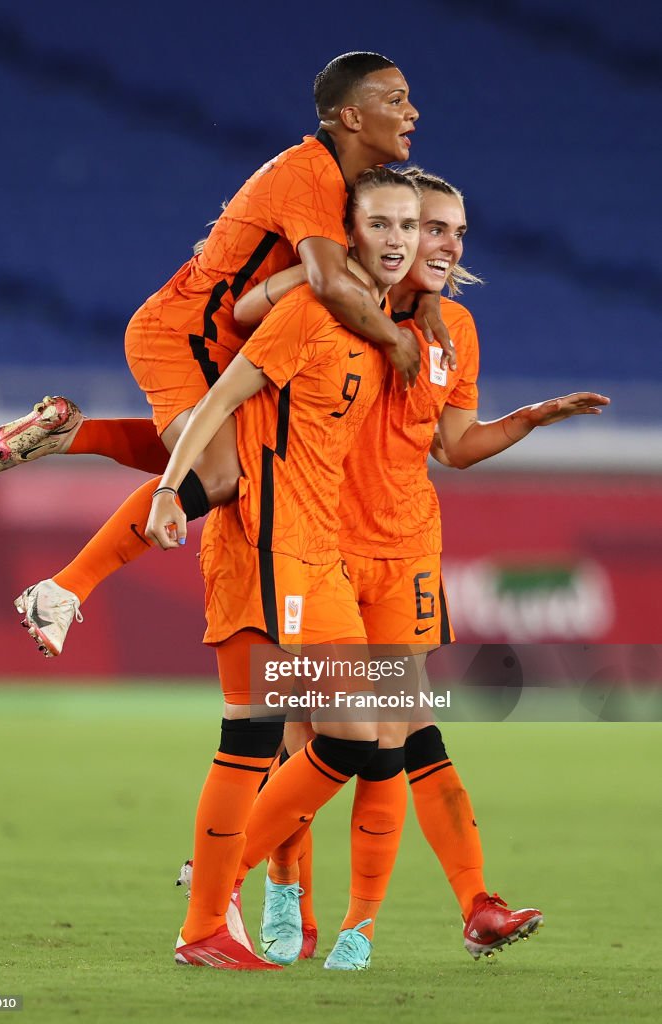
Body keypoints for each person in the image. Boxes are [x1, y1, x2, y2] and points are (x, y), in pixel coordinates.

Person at [229, 166, 609, 969]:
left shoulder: (453, 333)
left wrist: (531, 418)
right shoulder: (332, 308)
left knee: (392, 740)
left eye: (452, 232)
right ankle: (269, 890)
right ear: (376, 230)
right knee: (311, 736)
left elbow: (456, 446)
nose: (440, 244)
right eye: (428, 227)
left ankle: (365, 927)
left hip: (405, 553)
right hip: (316, 545)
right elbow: (242, 313)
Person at [0, 52, 454, 659]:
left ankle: (74, 433)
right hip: (192, 333)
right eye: (396, 99)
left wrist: (424, 300)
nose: (413, 111)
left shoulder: (355, 188)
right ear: (351, 116)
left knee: (228, 455)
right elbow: (331, 282)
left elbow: (386, 257)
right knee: (225, 474)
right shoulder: (312, 173)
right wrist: (395, 336)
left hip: (234, 335)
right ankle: (62, 591)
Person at [144, 166, 423, 969]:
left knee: (354, 738)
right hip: (263, 547)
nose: (397, 240)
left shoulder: (376, 330)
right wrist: (170, 490)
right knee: (253, 733)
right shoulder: (307, 312)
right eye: (380, 224)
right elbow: (222, 398)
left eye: (408, 225)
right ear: (349, 234)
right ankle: (202, 926)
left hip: (320, 555)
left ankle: (216, 872)